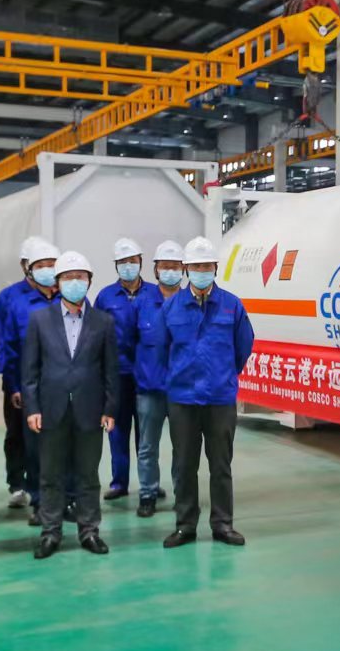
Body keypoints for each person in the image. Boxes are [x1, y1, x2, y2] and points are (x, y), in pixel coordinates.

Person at [21, 251, 116, 559]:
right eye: (68, 277)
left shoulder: (103, 322)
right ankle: (50, 533)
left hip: (90, 409)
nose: (75, 282)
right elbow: (30, 370)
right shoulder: (39, 319)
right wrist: (33, 408)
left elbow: (110, 370)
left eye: (80, 277)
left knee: (88, 475)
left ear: (89, 281)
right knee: (50, 476)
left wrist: (109, 409)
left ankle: (89, 531)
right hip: (51, 409)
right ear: (57, 283)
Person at [160, 236, 253, 550]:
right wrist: (177, 377)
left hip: (219, 398)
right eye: (197, 266)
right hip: (183, 400)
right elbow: (161, 349)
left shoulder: (231, 305)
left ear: (215, 268)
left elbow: (243, 346)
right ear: (187, 269)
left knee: (221, 465)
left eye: (207, 266)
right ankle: (185, 525)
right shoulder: (171, 306)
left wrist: (223, 374)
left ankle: (222, 524)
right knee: (184, 465)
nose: (202, 271)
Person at [0, 236, 57, 510]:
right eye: (41, 264)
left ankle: (52, 491)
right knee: (19, 436)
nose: (47, 269)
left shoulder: (66, 296)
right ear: (26, 267)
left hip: (57, 383)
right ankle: (19, 484)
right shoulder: (11, 299)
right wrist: (13, 385)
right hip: (22, 382)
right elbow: (5, 344)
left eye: (52, 264)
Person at [94, 236, 158, 503]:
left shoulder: (154, 293)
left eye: (132, 261)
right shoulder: (105, 297)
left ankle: (149, 482)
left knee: (147, 433)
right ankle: (119, 482)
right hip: (117, 374)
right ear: (116, 265)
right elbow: (95, 334)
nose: (128, 266)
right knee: (117, 430)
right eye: (123, 262)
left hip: (147, 373)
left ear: (141, 262)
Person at [129, 239, 185, 518]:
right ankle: (147, 494)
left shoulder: (191, 303)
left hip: (182, 391)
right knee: (147, 447)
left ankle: (182, 495)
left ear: (183, 270)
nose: (170, 271)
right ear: (155, 270)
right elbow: (129, 342)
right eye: (165, 266)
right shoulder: (142, 303)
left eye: (175, 266)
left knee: (182, 448)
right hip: (149, 389)